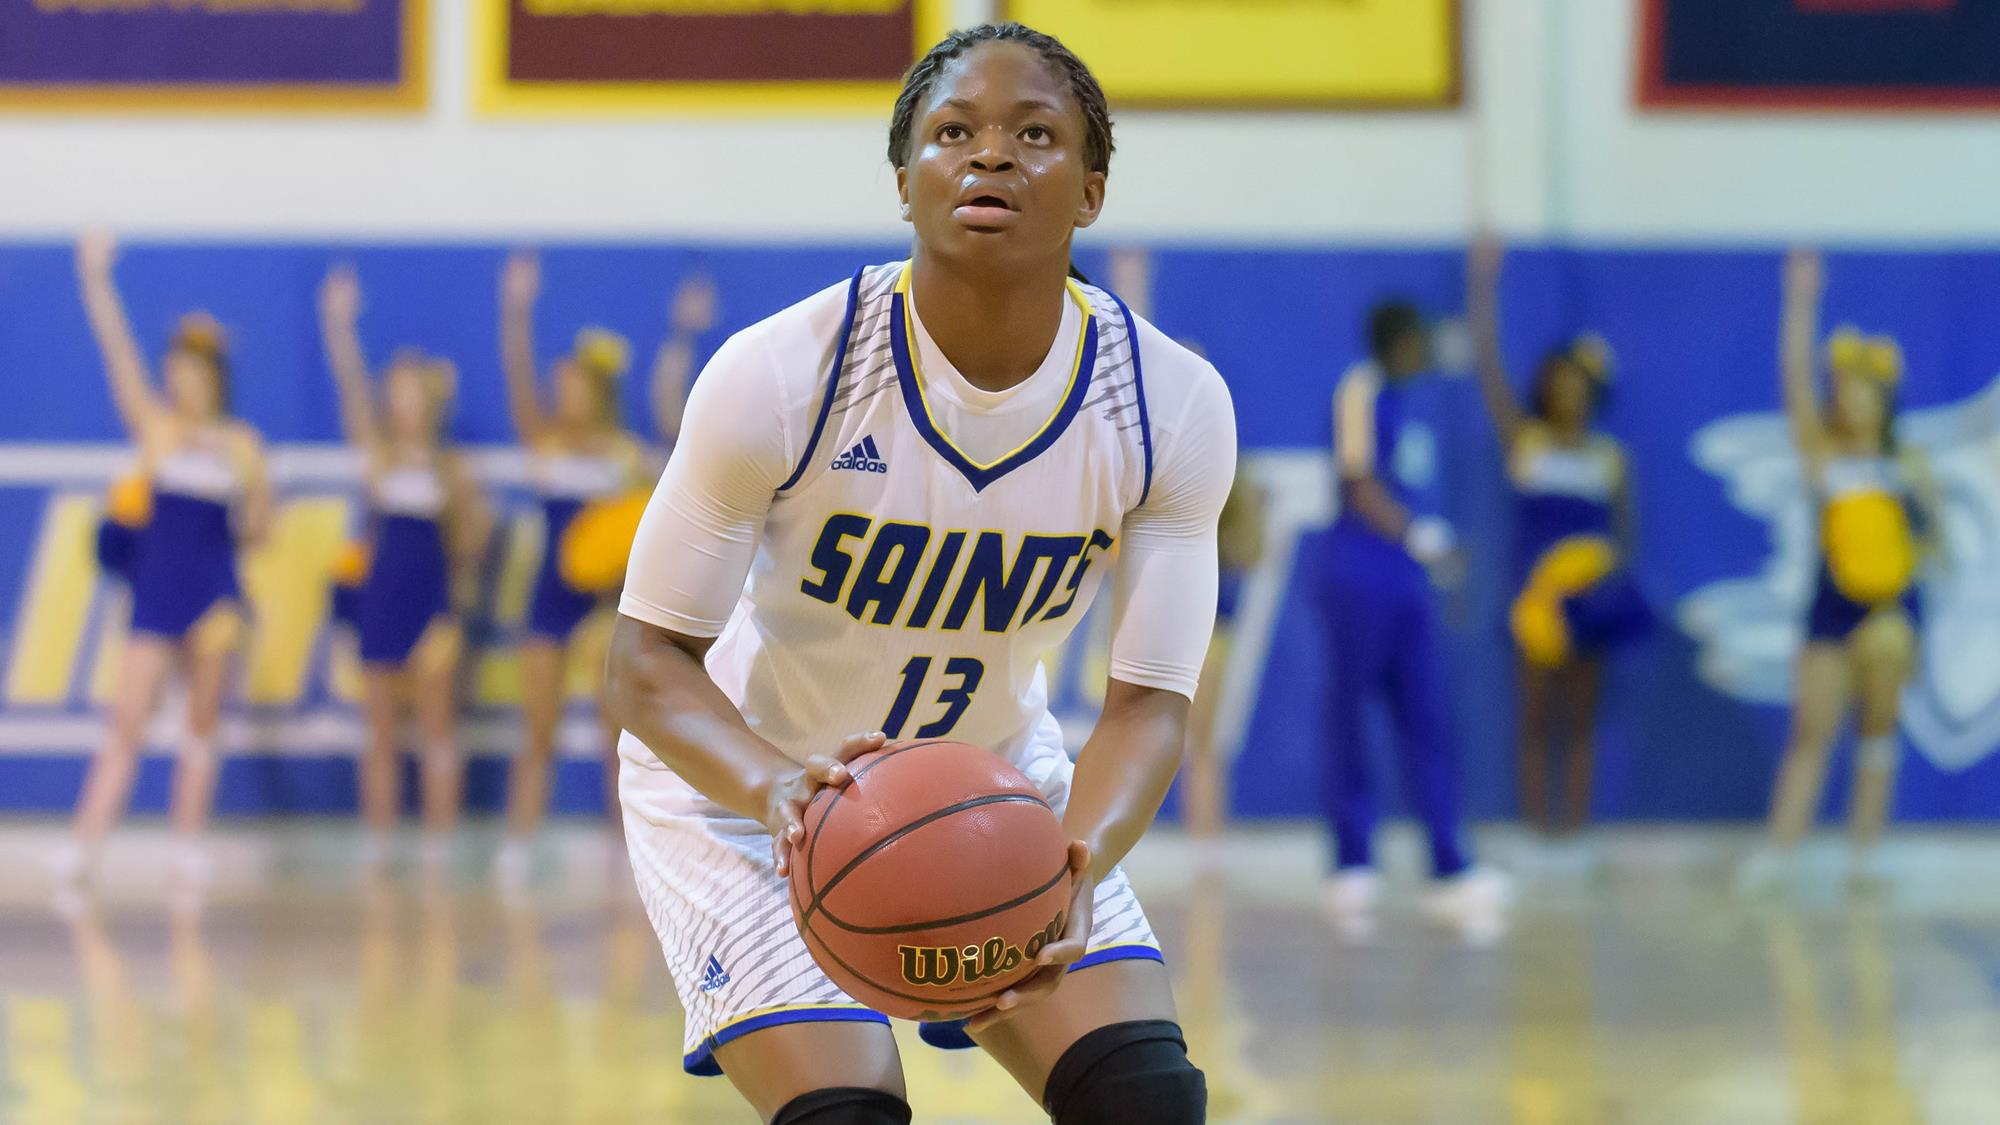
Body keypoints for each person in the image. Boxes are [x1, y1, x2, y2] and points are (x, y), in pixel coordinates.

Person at [605, 23, 1230, 1125]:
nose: (989, 156)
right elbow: (645, 665)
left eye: (1032, 134)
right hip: (750, 794)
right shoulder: (781, 374)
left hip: (987, 777)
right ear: (905, 184)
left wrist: (1074, 865)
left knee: (1144, 1102)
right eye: (954, 133)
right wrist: (775, 791)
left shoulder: (1167, 405)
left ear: (1090, 192)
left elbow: (1147, 705)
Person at [51, 229, 273, 887]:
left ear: (216, 376)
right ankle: (85, 845)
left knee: (201, 720)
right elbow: (116, 352)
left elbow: (258, 527)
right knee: (127, 719)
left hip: (214, 586)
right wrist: (95, 279)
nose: (183, 379)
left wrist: (258, 514)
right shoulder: (157, 426)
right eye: (176, 367)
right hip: (158, 584)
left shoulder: (241, 442)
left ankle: (186, 844)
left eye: (196, 370)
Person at [1742, 249, 1942, 891]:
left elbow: (1935, 538)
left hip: (1888, 612)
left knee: (1878, 732)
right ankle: (1780, 852)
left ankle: (1865, 854)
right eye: (1848, 391)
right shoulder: (1822, 454)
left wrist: (1915, 558)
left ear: (1887, 400)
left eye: (1868, 393)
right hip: (1830, 610)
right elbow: (1793, 378)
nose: (1856, 403)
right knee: (1811, 732)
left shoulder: (1908, 464)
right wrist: (1800, 303)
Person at [1320, 298, 1507, 932]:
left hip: (1406, 584)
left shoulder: (1414, 402)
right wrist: (1417, 534)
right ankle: (1352, 864)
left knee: (1428, 721)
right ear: (1397, 343)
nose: (1426, 352)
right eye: (1419, 341)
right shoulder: (1361, 389)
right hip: (1361, 577)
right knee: (1350, 720)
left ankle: (1449, 865)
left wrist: (1432, 556)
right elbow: (1359, 481)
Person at [1468, 237, 1648, 858]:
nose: (1568, 393)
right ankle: (1534, 830)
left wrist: (1610, 588)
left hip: (1590, 599)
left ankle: (1574, 832)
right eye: (1558, 382)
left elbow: (1624, 534)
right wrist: (1483, 284)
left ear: (1592, 391)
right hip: (1535, 597)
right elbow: (1488, 365)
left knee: (1582, 714)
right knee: (1536, 713)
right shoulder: (1527, 440)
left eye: (1578, 384)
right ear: (1546, 386)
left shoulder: (1609, 457)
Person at [319, 265, 492, 871]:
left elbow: (472, 546)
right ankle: (380, 845)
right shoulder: (379, 457)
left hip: (433, 603)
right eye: (398, 394)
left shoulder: (454, 469)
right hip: (382, 600)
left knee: (438, 727)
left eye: (416, 394)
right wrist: (339, 324)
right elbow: (349, 389)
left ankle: (440, 845)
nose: (407, 405)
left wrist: (471, 532)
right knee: (382, 730)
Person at [494, 251, 653, 885]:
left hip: (606, 603)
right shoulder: (547, 442)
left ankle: (630, 852)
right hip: (548, 598)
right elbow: (517, 378)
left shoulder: (627, 457)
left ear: (599, 388)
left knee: (618, 736)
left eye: (576, 384)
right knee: (538, 729)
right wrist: (516, 308)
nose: (565, 393)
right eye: (561, 385)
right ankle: (520, 843)